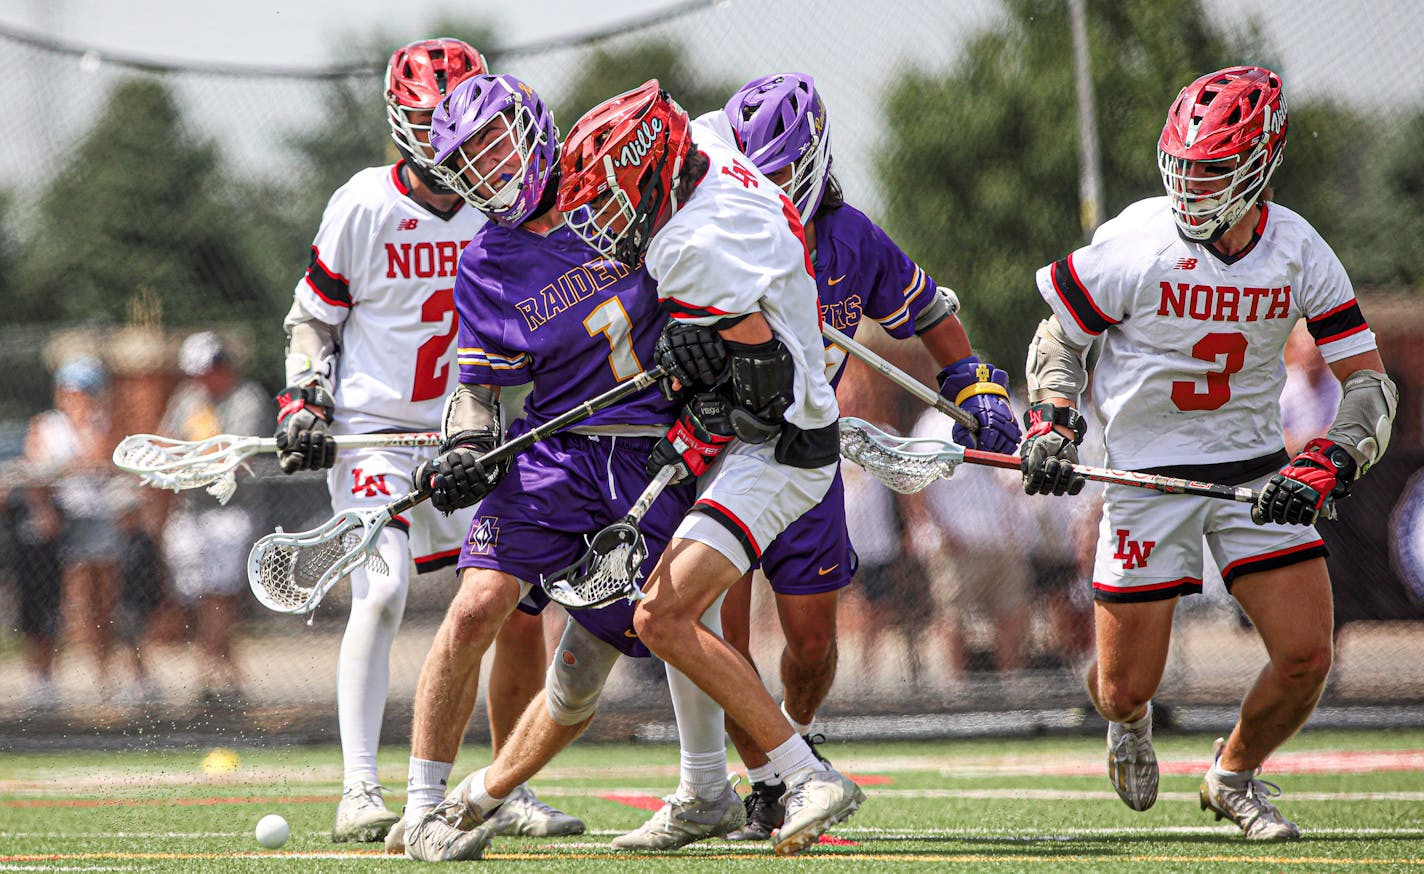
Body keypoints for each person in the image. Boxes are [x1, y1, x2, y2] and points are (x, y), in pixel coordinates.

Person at [1019, 66, 1398, 840]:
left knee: (1305, 656)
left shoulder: (1297, 247)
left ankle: (1233, 776)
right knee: (1126, 688)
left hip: (1257, 474)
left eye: (1214, 170)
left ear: (1260, 163)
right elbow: (1059, 337)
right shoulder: (1135, 240)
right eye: (1185, 168)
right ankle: (1126, 726)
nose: (1193, 187)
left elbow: (1369, 382)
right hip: (1144, 478)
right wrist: (1055, 423)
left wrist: (1330, 457)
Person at [388, 73, 739, 860]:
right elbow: (478, 387)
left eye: (492, 143)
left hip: (651, 456)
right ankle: (421, 804)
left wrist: (709, 342)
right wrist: (468, 448)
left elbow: (708, 284)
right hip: (552, 453)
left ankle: (703, 783)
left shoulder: (615, 192)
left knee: (597, 662)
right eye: (466, 160)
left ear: (533, 128)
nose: (485, 168)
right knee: (477, 605)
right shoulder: (486, 261)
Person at [555, 79, 868, 856]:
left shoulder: (687, 247)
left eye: (614, 198)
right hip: (769, 426)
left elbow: (759, 396)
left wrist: (699, 366)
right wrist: (697, 353)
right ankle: (708, 791)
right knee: (667, 610)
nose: (605, 219)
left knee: (660, 616)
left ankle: (801, 774)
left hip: (783, 445)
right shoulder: (701, 144)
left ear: (653, 173)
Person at [715, 72, 1022, 839]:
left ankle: (795, 735)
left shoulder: (852, 239)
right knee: (721, 636)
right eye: (756, 167)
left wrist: (973, 387)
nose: (768, 183)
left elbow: (934, 319)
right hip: (718, 450)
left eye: (782, 167)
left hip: (808, 458)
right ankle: (762, 778)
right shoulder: (715, 225)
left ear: (815, 156)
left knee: (814, 643)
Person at [277, 38, 566, 844]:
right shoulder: (364, 203)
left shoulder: (506, 210)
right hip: (378, 436)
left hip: (477, 439)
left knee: (516, 609)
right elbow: (313, 317)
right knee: (382, 590)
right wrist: (305, 397)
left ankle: (508, 788)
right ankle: (361, 789)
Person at [159, 331, 266, 704]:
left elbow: (236, 460)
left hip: (229, 512)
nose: (197, 380)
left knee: (220, 597)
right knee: (199, 597)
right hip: (190, 511)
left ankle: (211, 673)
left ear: (222, 366)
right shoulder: (187, 399)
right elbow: (167, 444)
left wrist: (193, 459)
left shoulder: (246, 398)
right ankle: (225, 674)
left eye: (203, 371)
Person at [24, 356, 127, 699]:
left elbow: (101, 460)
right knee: (67, 601)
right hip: (61, 523)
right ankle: (46, 677)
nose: (74, 398)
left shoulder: (101, 424)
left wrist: (78, 444)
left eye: (81, 391)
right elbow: (35, 471)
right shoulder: (45, 425)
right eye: (69, 391)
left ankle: (105, 675)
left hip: (97, 519)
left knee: (104, 601)